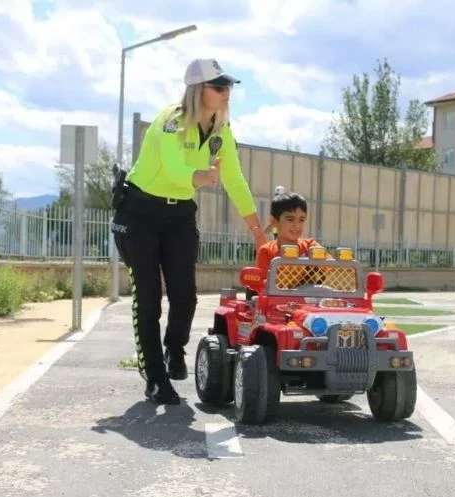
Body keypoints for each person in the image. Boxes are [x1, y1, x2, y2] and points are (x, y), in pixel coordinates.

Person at [111, 58, 268, 405]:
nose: (227, 92)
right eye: (219, 87)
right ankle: (154, 377)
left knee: (186, 295)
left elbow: (235, 179)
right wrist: (200, 177)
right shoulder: (172, 121)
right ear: (199, 90)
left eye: (228, 86)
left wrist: (257, 230)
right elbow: (172, 167)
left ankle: (174, 348)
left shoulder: (221, 129)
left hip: (180, 213)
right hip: (140, 212)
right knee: (148, 298)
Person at [255, 186, 330, 288]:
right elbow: (261, 286)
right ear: (273, 221)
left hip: (310, 301)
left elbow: (331, 270)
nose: (297, 225)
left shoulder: (311, 246)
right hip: (278, 302)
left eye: (301, 220)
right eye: (290, 219)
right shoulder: (266, 251)